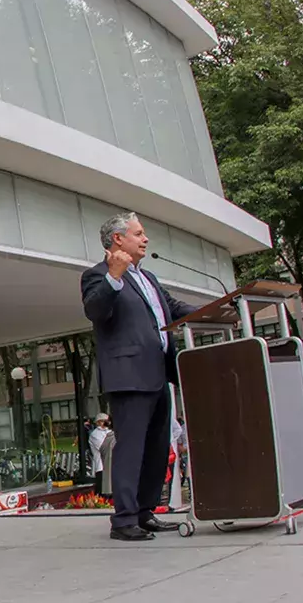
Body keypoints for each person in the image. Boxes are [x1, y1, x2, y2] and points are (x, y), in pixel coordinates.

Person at [81, 212, 196, 541]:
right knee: (131, 450)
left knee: (158, 449)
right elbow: (95, 311)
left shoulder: (150, 279)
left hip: (160, 374)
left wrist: (219, 309)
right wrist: (114, 278)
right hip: (129, 377)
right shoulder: (96, 275)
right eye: (139, 233)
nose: (146, 239)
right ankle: (124, 520)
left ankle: (145, 513)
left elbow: (172, 307)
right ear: (118, 239)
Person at [88, 413, 113, 496]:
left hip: (111, 465)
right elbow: (104, 447)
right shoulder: (95, 434)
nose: (106, 423)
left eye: (107, 421)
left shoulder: (110, 432)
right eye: (103, 421)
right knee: (102, 492)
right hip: (101, 466)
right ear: (98, 422)